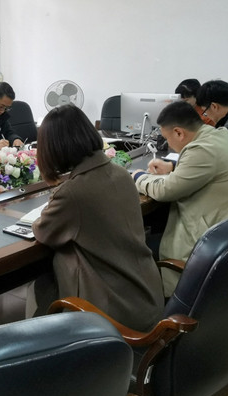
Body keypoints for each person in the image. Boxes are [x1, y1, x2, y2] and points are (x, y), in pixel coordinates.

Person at [30, 104, 164, 332]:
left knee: (44, 284)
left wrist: (56, 193)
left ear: (54, 148)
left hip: (114, 312)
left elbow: (43, 231)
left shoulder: (73, 192)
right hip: (147, 297)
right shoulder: (121, 173)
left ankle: (46, 342)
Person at [132, 101, 228, 295]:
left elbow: (165, 190)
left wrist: (138, 176)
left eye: (167, 139)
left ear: (179, 133)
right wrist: (173, 167)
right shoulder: (223, 135)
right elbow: (212, 167)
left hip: (224, 245)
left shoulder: (202, 149)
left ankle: (160, 300)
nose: (168, 145)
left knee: (136, 250)